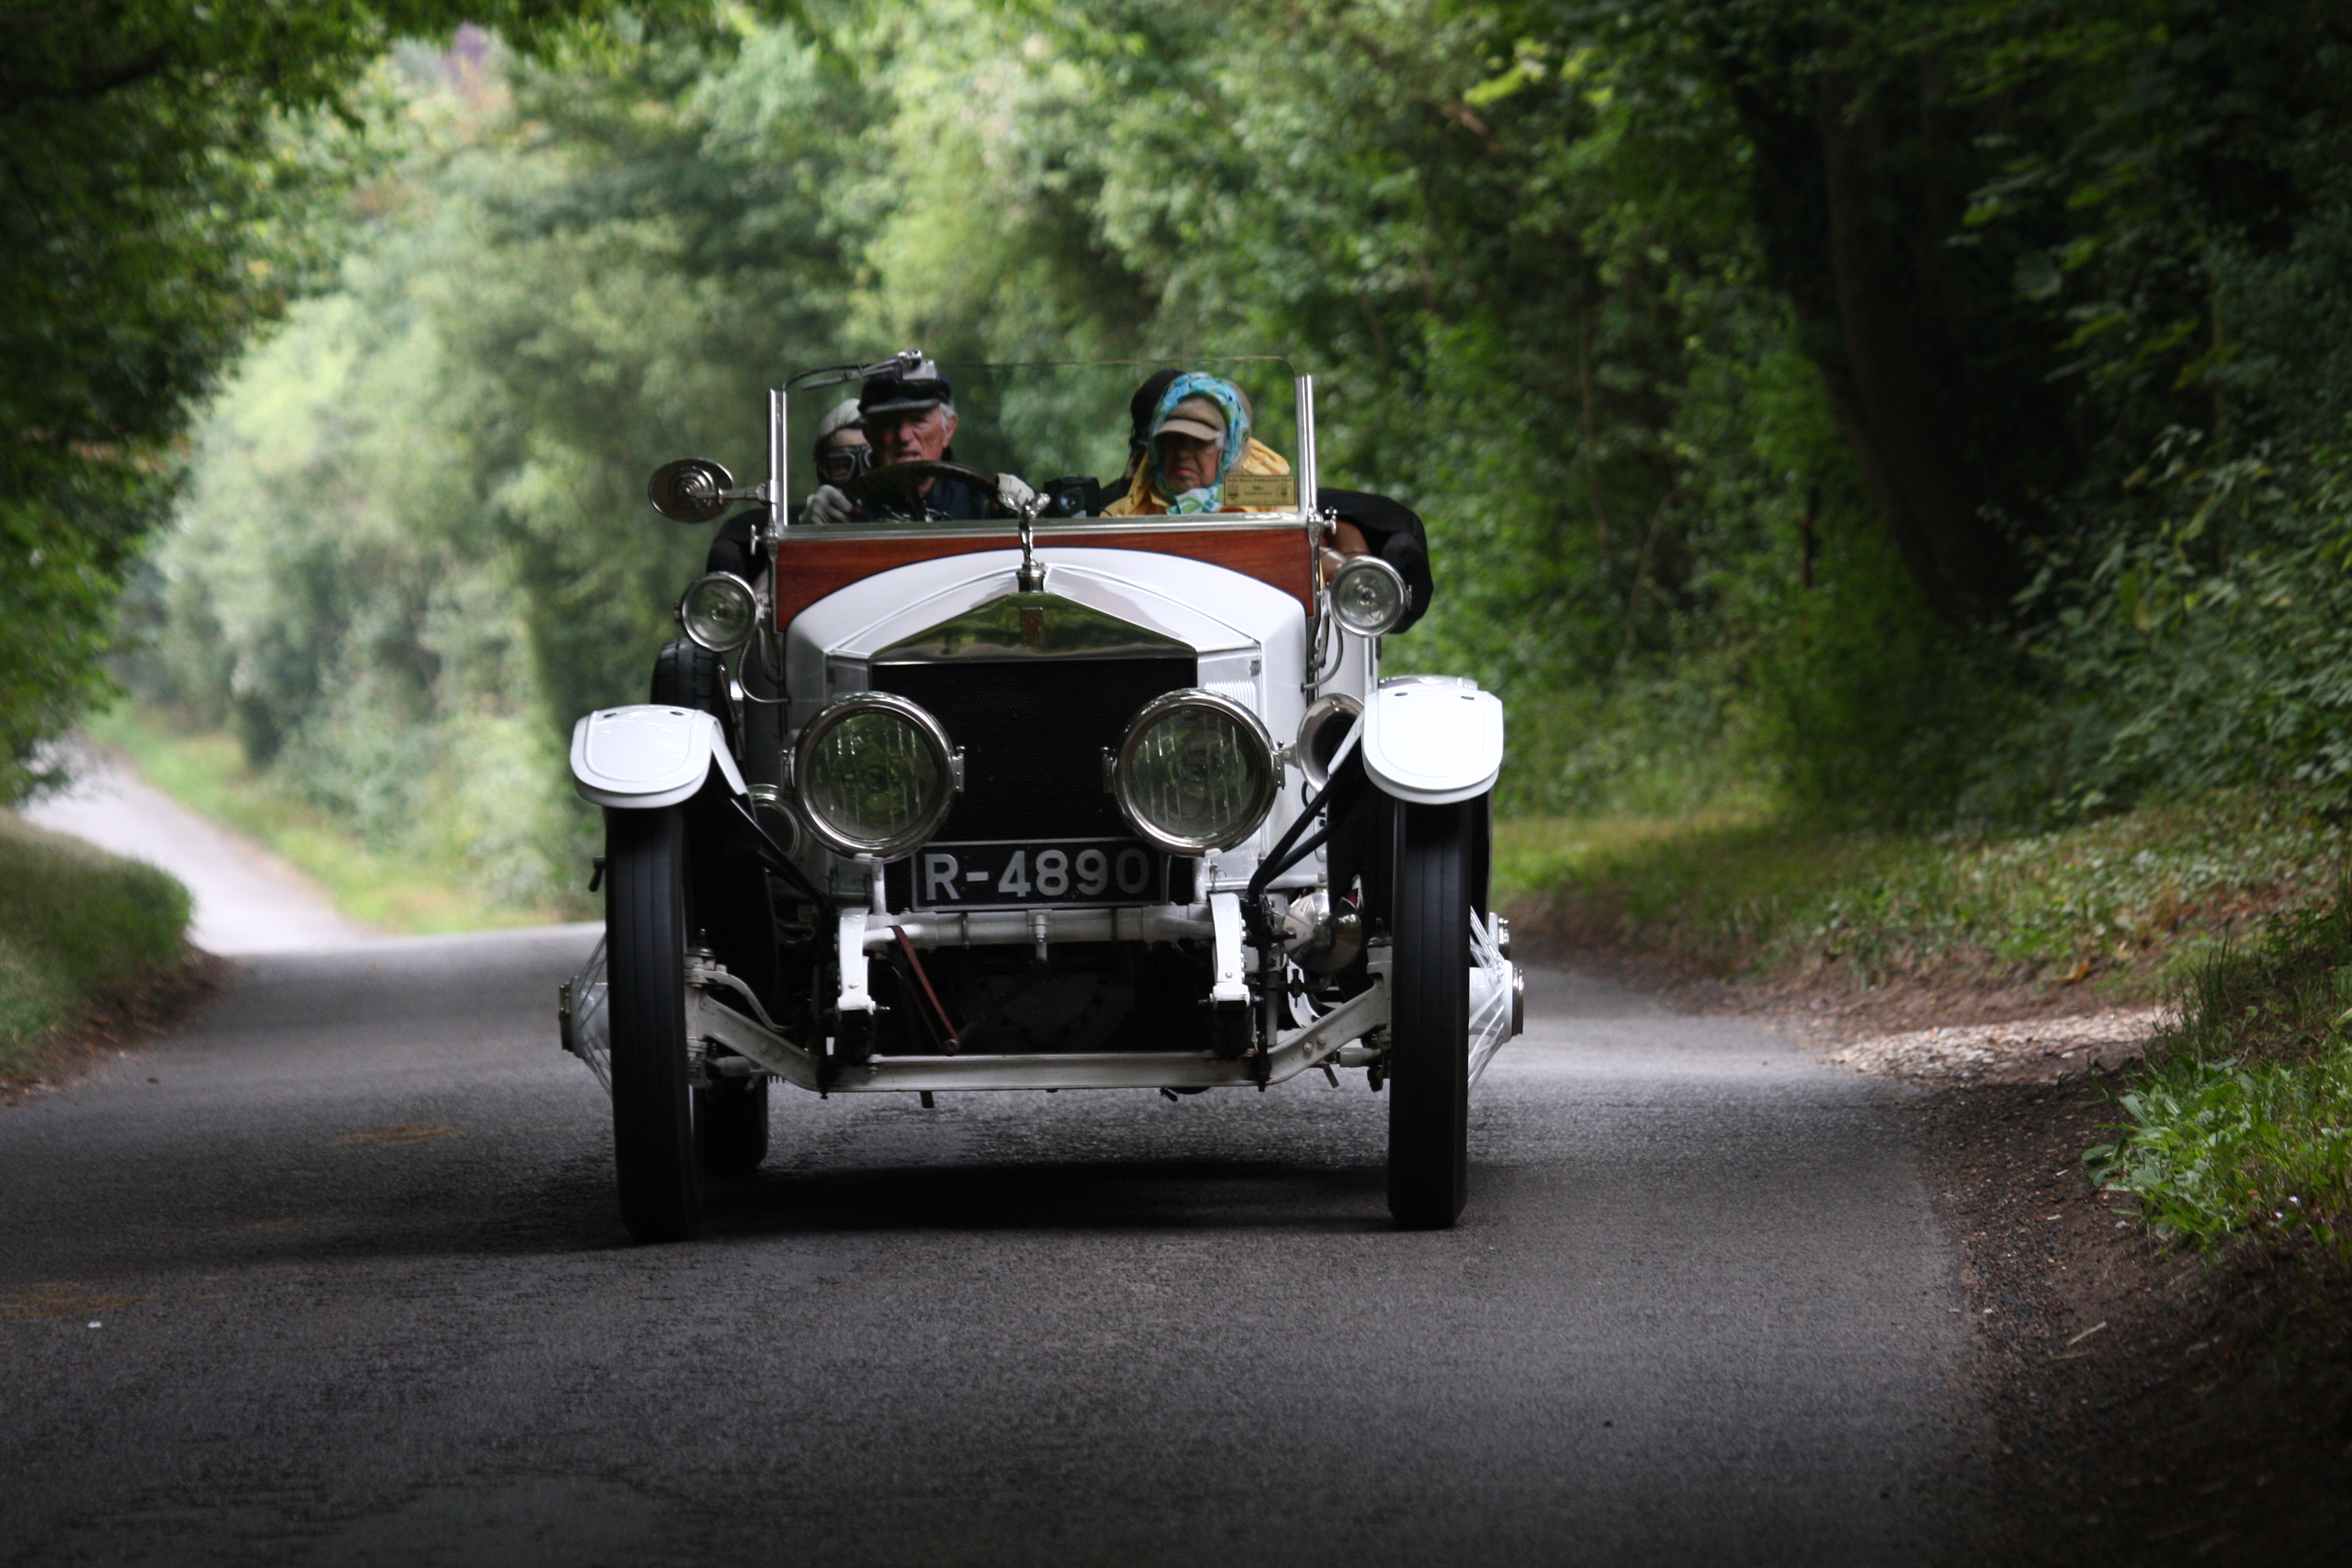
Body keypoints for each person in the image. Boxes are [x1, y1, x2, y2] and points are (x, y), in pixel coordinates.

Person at [806, 359, 1034, 522]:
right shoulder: (848, 511)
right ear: (869, 435)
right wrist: (812, 535)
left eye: (919, 421)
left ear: (948, 430)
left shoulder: (985, 506)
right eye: (888, 423)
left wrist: (1025, 516)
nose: (904, 437)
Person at [1104, 372, 1293, 518]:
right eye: (1172, 438)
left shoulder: (1271, 505)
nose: (1182, 454)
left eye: (1200, 442)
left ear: (1229, 451)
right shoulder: (1121, 517)